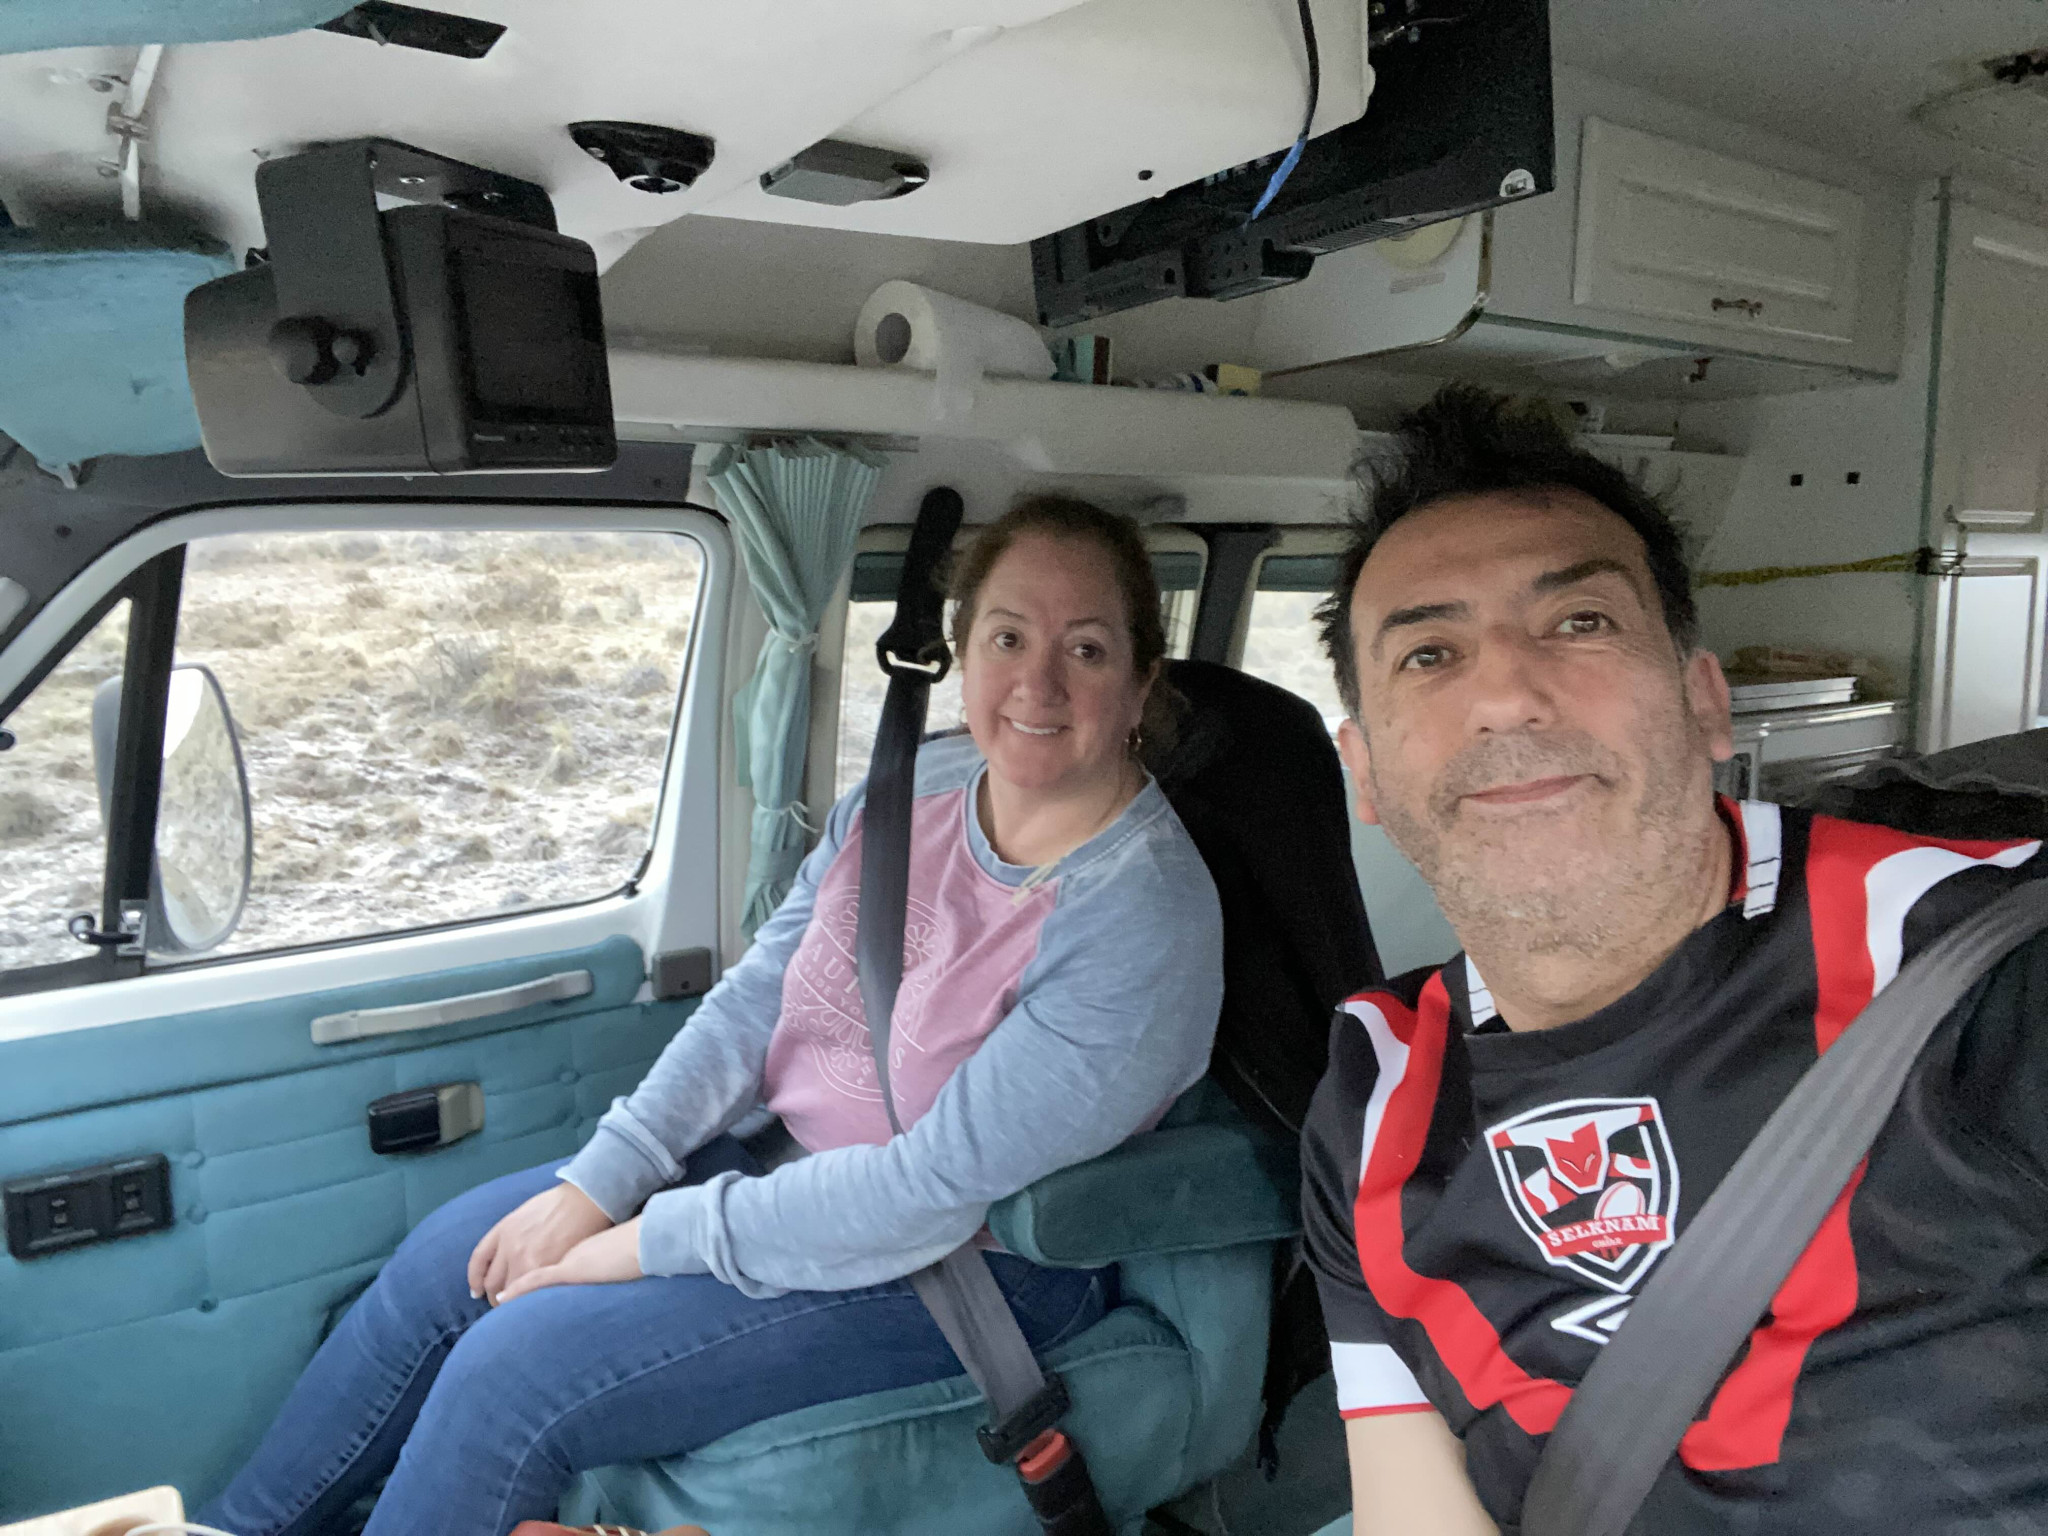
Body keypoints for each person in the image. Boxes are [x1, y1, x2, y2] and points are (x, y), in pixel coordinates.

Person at [198, 495, 1224, 1536]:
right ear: (964, 651)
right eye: (1007, 638)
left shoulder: (1142, 918)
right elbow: (757, 999)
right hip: (779, 1167)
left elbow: (923, 1193)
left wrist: (643, 1241)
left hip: (964, 1264)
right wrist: (601, 1184)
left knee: (511, 1377)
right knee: (442, 1268)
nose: (1038, 683)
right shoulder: (916, 788)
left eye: (1086, 649)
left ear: (1141, 680)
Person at [1300, 385, 2048, 1535]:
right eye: (1429, 653)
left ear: (1704, 703)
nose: (1504, 695)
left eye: (1577, 623)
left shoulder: (1982, 966)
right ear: (1362, 772)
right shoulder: (1370, 1095)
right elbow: (1411, 1506)